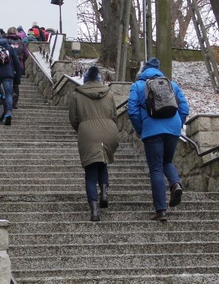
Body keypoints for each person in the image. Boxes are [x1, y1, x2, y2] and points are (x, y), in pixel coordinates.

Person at [127, 57, 189, 222]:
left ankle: (161, 210)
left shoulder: (138, 86)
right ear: (159, 70)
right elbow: (184, 107)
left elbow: (132, 110)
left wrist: (141, 129)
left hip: (152, 131)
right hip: (173, 129)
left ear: (144, 70)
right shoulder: (171, 85)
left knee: (155, 168)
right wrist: (177, 125)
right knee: (167, 161)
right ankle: (175, 184)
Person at [68, 66, 120, 222]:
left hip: (87, 133)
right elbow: (114, 115)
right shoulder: (109, 93)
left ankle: (95, 211)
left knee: (90, 173)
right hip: (109, 131)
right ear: (99, 79)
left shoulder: (77, 95)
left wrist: (83, 129)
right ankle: (104, 193)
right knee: (102, 163)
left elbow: (73, 118)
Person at [5, 26, 30, 109]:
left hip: (7, 65)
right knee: (16, 85)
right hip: (18, 65)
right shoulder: (21, 42)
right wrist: (21, 61)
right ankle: (15, 103)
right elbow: (26, 54)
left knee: (7, 82)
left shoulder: (5, 41)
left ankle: (7, 100)